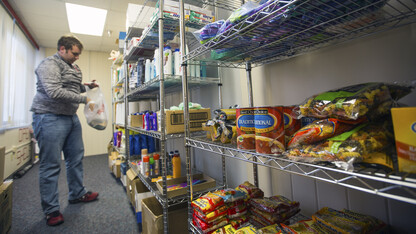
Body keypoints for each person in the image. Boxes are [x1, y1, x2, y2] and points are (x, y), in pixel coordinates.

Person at [31, 35, 99, 226]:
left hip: (70, 117)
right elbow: (55, 91)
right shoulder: (49, 64)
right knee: (51, 165)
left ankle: (77, 194)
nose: (77, 57)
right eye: (75, 54)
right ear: (62, 49)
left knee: (75, 158)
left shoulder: (73, 66)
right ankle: (51, 210)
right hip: (49, 116)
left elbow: (72, 87)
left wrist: (87, 86)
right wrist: (85, 99)